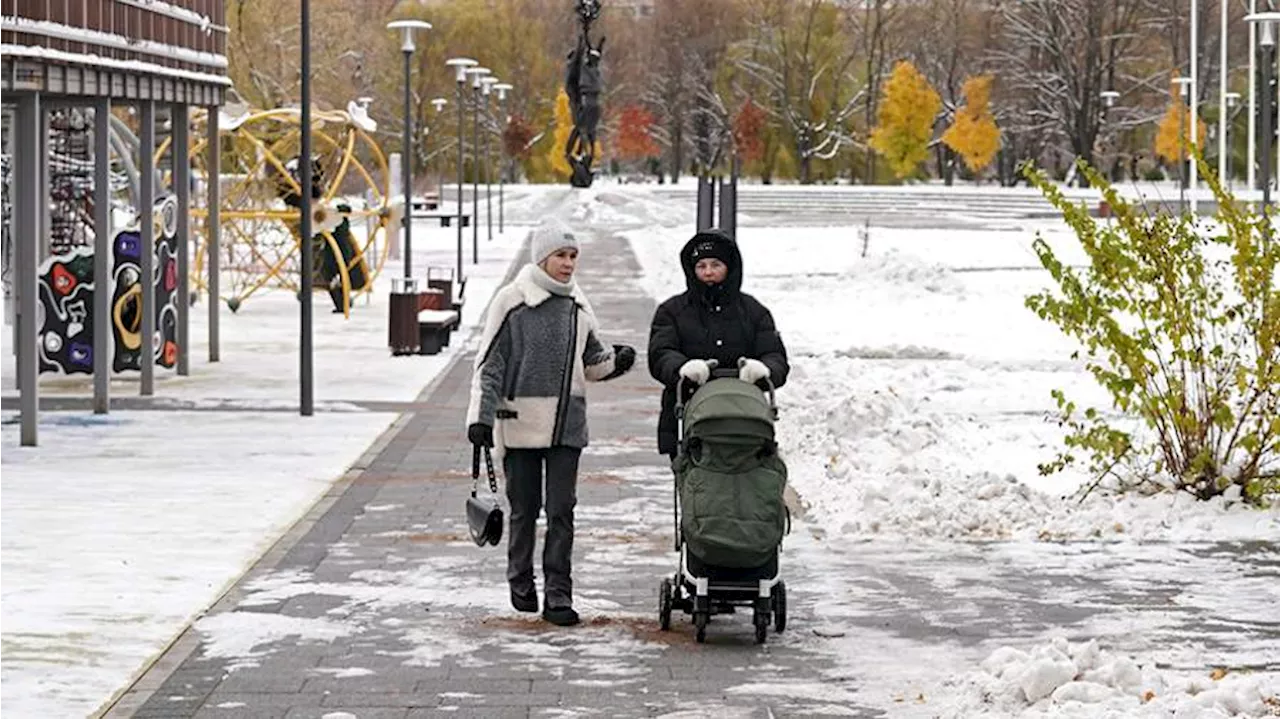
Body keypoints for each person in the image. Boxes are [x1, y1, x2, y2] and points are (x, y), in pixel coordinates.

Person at [465, 217, 636, 627]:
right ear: (542, 258)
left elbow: (591, 364)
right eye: (561, 255)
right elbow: (490, 364)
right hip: (520, 421)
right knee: (525, 509)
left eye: (573, 255)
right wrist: (480, 419)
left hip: (567, 426)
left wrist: (618, 363)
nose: (568, 263)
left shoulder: (578, 305)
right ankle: (520, 578)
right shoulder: (512, 301)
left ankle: (559, 593)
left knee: (562, 510)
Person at [648, 228, 789, 459]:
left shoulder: (753, 312)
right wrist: (682, 368)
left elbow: (775, 355)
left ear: (729, 268)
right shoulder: (672, 312)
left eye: (716, 265)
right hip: (689, 417)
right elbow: (660, 353)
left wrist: (763, 370)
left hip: (744, 420)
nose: (708, 272)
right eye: (701, 266)